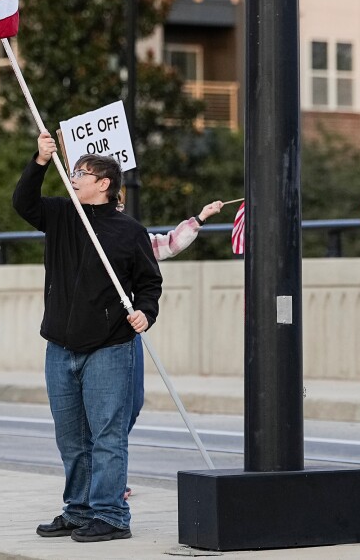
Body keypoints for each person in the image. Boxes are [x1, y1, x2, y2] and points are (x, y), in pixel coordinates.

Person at [14, 132, 162, 543]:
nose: (74, 177)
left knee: (107, 436)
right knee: (71, 438)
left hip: (110, 347)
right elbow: (23, 202)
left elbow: (149, 283)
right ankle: (78, 511)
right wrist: (40, 161)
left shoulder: (129, 231)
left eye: (83, 173)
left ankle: (112, 515)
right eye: (74, 171)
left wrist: (145, 313)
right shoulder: (61, 215)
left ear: (105, 184)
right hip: (60, 345)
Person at [123, 199, 225, 498]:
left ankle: (108, 476)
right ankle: (105, 483)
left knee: (130, 405)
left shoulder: (129, 235)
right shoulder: (82, 231)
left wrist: (200, 218)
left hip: (126, 329)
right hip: (92, 333)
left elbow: (167, 244)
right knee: (107, 413)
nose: (118, 209)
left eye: (121, 204)